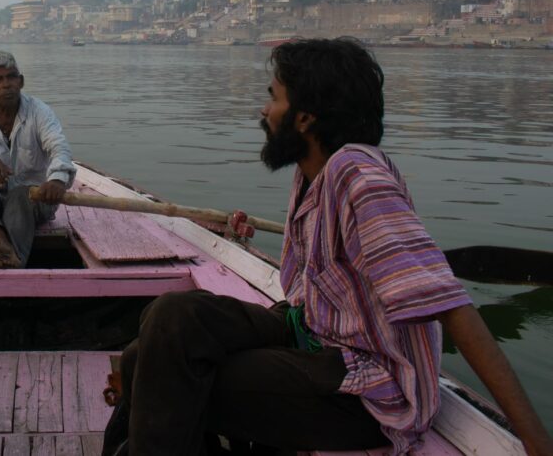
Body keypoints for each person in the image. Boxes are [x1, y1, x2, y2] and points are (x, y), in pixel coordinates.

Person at [105, 38, 553, 456]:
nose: (264, 111)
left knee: (167, 376)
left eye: (274, 97)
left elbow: (452, 307)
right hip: (311, 330)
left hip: (367, 390)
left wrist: (536, 442)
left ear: (305, 118)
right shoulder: (310, 173)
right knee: (165, 322)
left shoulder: (359, 179)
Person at [0, 50, 75, 268]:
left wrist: (57, 179)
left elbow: (59, 148)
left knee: (20, 192)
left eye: (11, 77)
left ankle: (11, 256)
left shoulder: (40, 113)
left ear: (21, 82)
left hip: (35, 200)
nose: (6, 84)